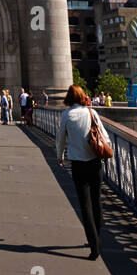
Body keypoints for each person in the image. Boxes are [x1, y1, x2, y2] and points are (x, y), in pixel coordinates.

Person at [56, 84, 110, 261]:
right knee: (97, 202)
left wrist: (59, 156)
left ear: (68, 99)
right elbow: (105, 136)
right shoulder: (91, 113)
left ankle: (94, 246)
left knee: (85, 206)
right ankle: (98, 238)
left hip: (78, 164)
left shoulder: (66, 115)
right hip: (95, 162)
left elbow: (60, 139)